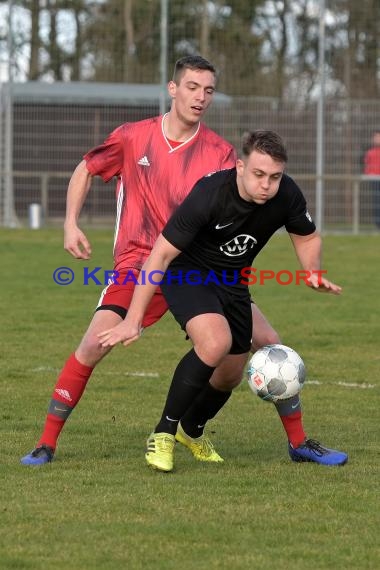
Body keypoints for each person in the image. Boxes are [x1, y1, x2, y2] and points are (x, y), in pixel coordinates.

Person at [20, 55, 236, 466]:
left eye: (208, 90)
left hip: (193, 270)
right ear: (172, 89)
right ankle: (47, 442)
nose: (200, 97)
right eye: (192, 87)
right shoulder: (133, 137)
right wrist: (70, 223)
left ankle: (202, 431)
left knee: (239, 356)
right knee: (92, 344)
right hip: (138, 264)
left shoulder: (221, 153)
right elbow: (86, 168)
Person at [98, 129, 348, 472]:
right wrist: (133, 319)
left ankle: (195, 432)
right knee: (215, 341)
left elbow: (307, 236)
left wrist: (312, 271)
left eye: (274, 177)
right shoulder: (210, 194)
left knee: (241, 366)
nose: (267, 184)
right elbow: (159, 257)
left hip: (233, 283)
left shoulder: (285, 193)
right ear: (240, 167)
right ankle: (164, 433)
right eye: (259, 175)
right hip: (188, 275)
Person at [363, 130, 380, 229]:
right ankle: (378, 223)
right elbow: (367, 166)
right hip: (374, 180)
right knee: (376, 201)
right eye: (376, 137)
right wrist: (369, 174)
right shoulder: (370, 153)